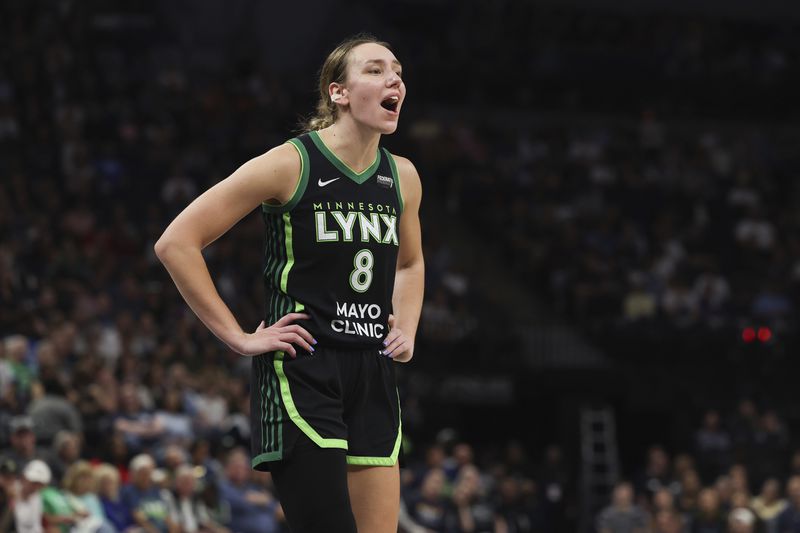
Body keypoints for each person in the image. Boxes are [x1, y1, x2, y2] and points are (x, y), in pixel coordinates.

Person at [154, 34, 424, 533]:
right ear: (338, 92)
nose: (394, 80)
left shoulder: (402, 176)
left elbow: (409, 264)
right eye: (375, 69)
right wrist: (238, 336)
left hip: (372, 371)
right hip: (304, 367)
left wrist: (406, 323)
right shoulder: (291, 163)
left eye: (398, 72)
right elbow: (177, 243)